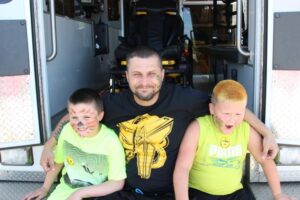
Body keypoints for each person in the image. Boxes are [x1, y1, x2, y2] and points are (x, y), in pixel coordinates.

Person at [41, 47, 278, 200]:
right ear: (127, 77)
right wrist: (50, 145)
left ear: (162, 75)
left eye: (152, 74)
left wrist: (265, 132)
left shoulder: (184, 98)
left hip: (173, 194)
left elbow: (230, 109)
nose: (145, 82)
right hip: (126, 193)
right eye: (137, 75)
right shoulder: (111, 104)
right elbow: (71, 116)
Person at [173, 80, 297, 200]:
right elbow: (182, 168)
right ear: (212, 109)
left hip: (235, 193)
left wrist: (278, 194)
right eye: (226, 114)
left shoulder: (245, 130)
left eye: (238, 114)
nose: (232, 120)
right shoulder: (198, 128)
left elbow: (266, 161)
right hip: (201, 193)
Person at [23, 88, 126, 200]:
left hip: (98, 195)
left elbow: (117, 182)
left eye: (86, 117)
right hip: (65, 191)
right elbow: (58, 163)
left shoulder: (111, 141)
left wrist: (80, 193)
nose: (80, 124)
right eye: (74, 117)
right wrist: (45, 188)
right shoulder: (67, 131)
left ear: (100, 116)